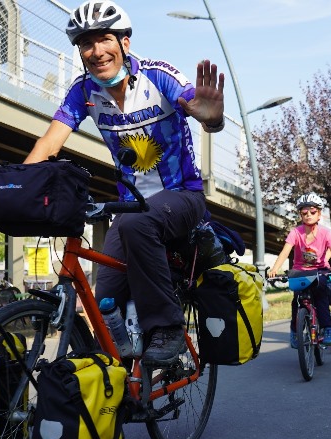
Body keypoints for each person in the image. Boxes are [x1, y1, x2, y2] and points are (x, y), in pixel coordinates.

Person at [23, 0, 225, 369]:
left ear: (124, 43)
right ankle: (122, 376)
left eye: (104, 39)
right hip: (131, 208)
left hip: (183, 195)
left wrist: (211, 119)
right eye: (86, 43)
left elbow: (197, 106)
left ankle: (168, 327)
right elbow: (50, 143)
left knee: (134, 225)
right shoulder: (83, 91)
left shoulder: (158, 75)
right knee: (104, 303)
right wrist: (19, 187)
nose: (96, 51)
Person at [268, 193, 331, 348]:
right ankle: (295, 331)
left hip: (319, 270)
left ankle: (328, 328)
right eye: (304, 212)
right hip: (299, 271)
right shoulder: (296, 232)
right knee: (297, 302)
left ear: (319, 213)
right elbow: (285, 252)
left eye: (312, 212)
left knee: (321, 295)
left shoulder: (325, 232)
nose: (308, 215)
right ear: (300, 214)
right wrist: (274, 269)